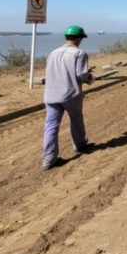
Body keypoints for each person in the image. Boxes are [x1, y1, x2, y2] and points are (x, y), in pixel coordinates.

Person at [42, 24, 94, 171]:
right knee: (76, 119)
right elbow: (81, 75)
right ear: (78, 38)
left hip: (51, 95)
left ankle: (48, 159)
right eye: (81, 38)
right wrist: (90, 78)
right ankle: (79, 145)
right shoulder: (79, 53)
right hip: (70, 94)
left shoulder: (53, 53)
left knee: (51, 126)